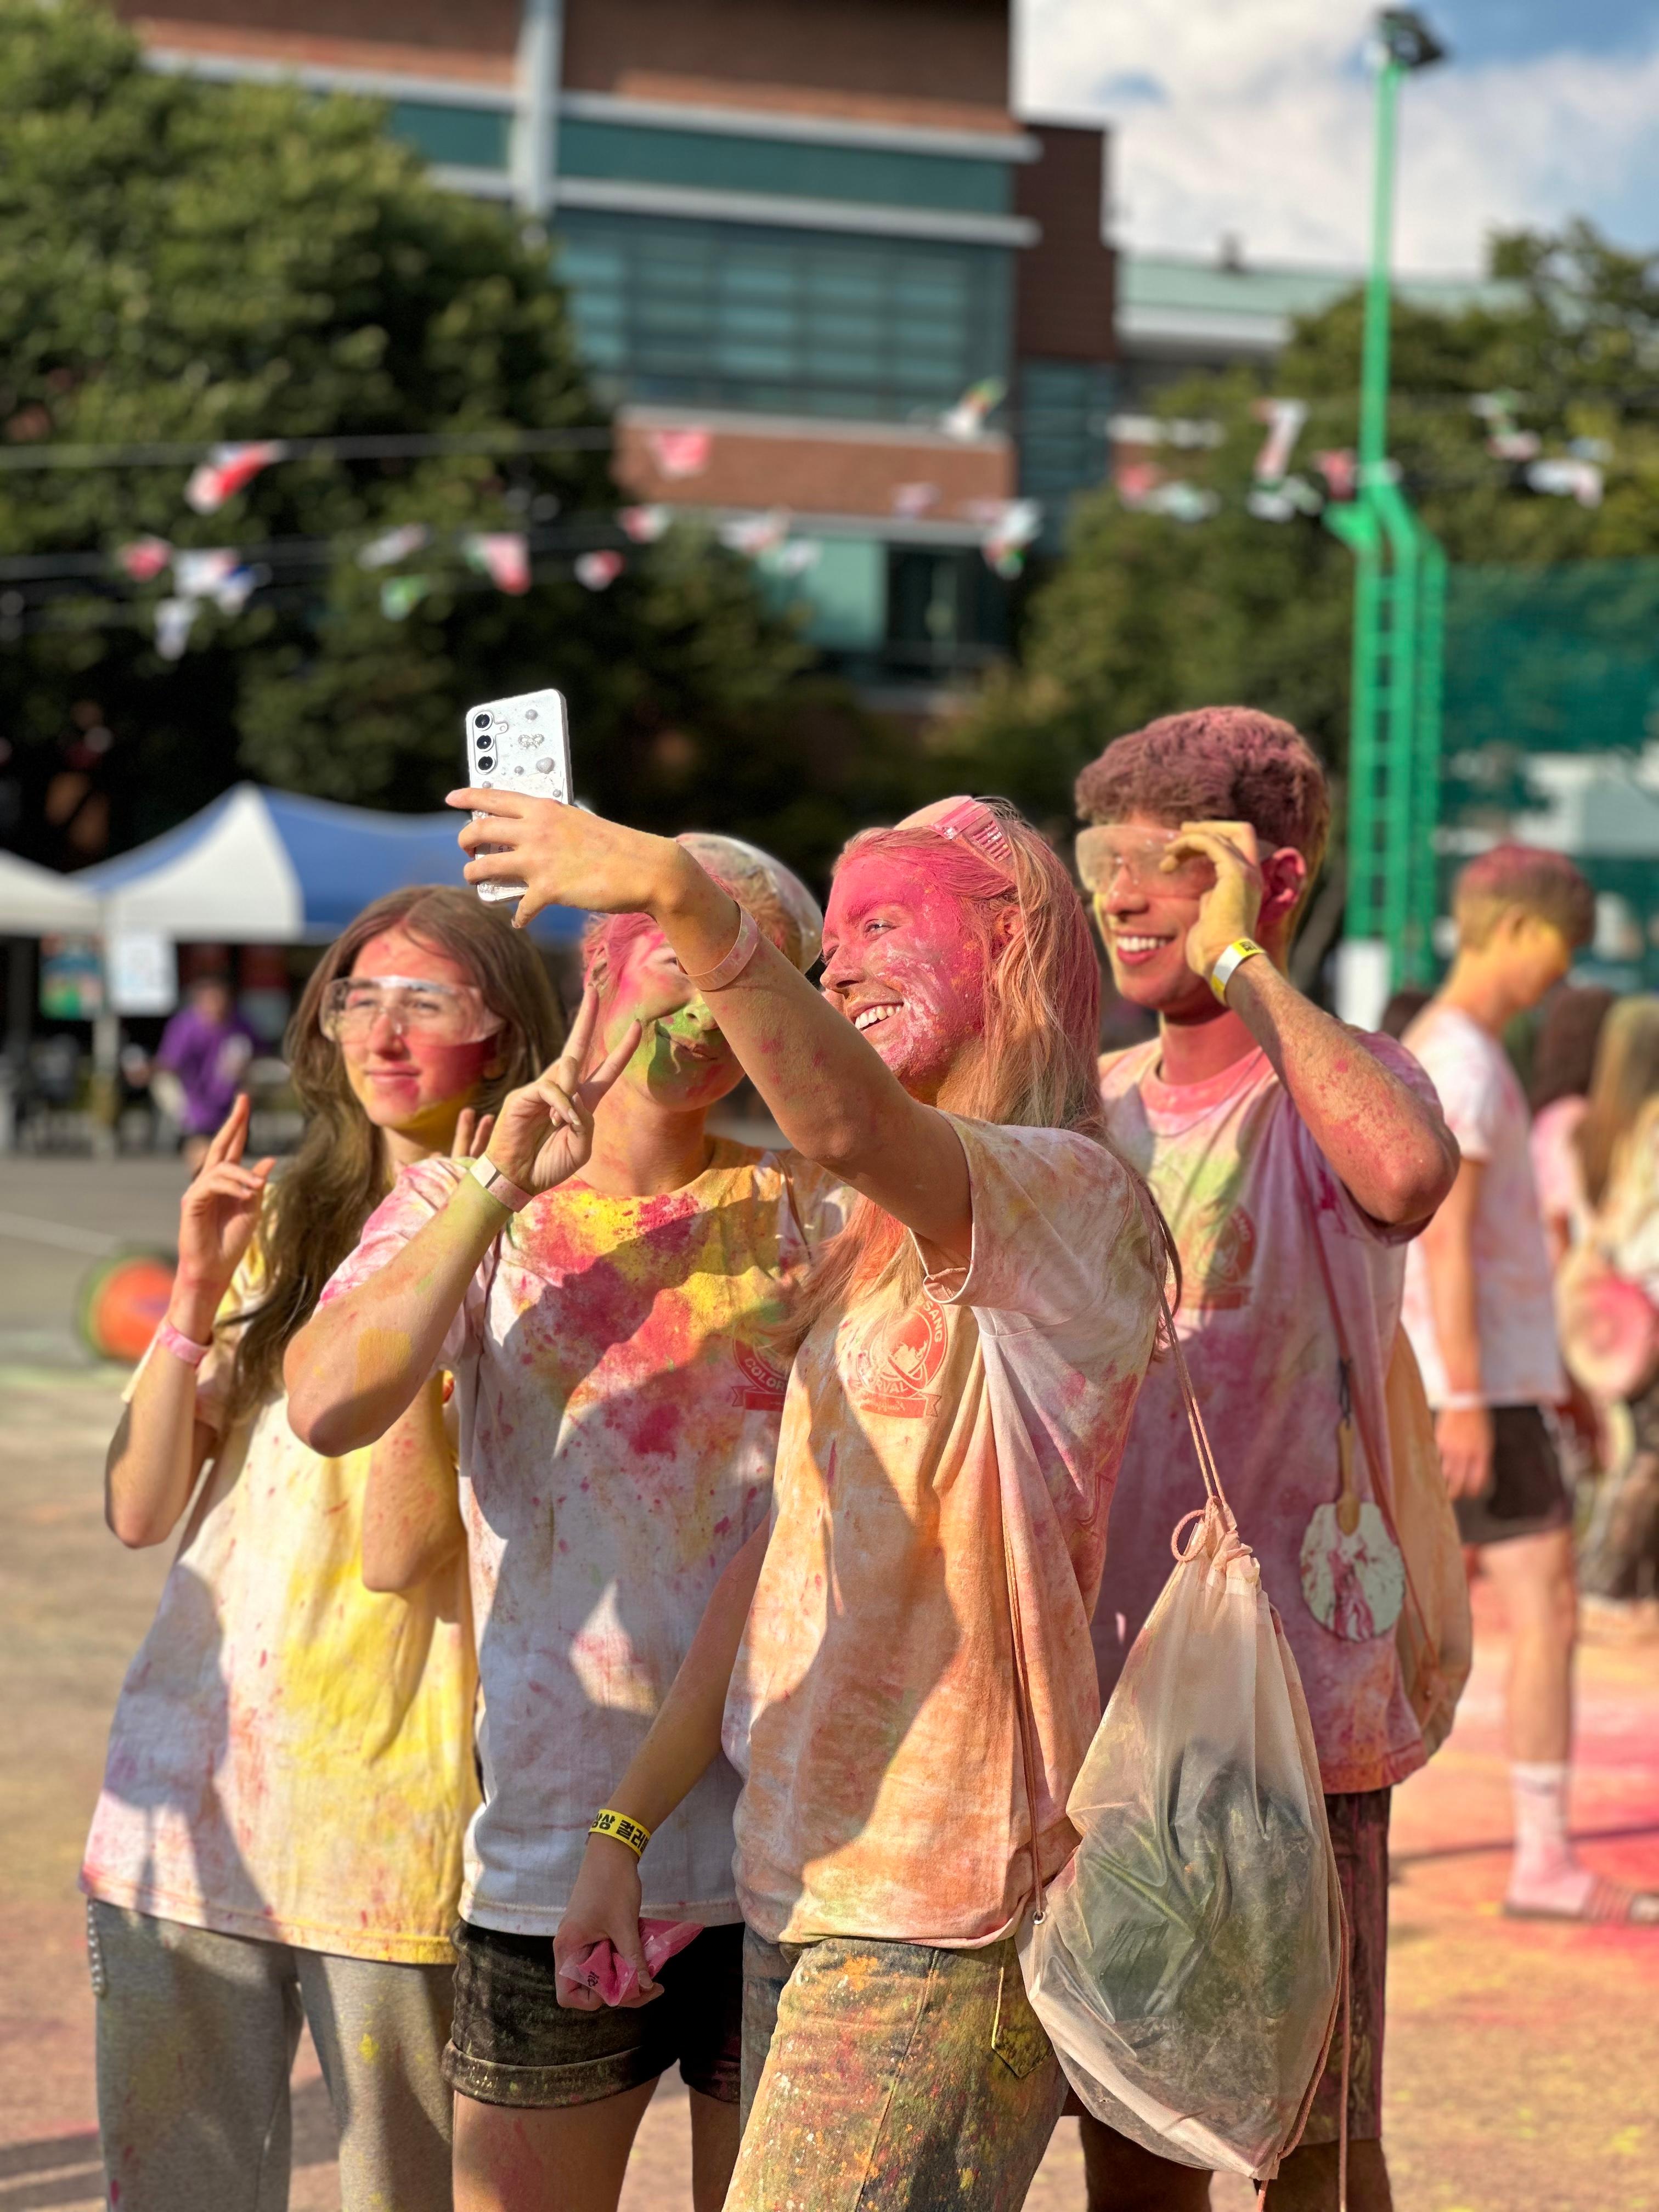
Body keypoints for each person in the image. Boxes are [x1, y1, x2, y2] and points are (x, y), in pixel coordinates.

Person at [464, 787, 1169, 2212]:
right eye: (829, 940)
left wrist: (678, 891)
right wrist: (624, 1830)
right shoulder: (872, 1242)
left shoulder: (1068, 1196)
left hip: (946, 1898)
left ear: (1015, 948)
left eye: (884, 926)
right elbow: (779, 1559)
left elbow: (847, 1128)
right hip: (814, 1883)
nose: (841, 965)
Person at [285, 837, 839, 2212]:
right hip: (549, 1845)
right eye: (684, 949)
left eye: (750, 969)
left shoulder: (810, 1207)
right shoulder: (469, 1201)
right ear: (604, 958)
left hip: (792, 1847)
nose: (714, 1005)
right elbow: (329, 1404)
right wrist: (490, 1192)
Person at [82, 887, 562, 2212]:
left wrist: (432, 1253)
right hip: (185, 1790)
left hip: (389, 1821)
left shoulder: (530, 1244)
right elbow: (138, 1509)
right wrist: (192, 1291)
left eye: (428, 1001)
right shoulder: (286, 1219)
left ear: (504, 1036)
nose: (383, 1032)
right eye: (360, 996)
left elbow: (407, 1556)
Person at [1072, 708, 1460, 2212]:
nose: (1123, 898)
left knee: (1317, 2148)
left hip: (1306, 1708)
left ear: (1268, 878)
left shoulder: (1338, 1083)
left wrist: (1243, 965)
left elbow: (1409, 1174)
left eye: (1168, 866)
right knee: (1141, 2137)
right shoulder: (1090, 1106)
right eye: (1105, 861)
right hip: (1119, 1697)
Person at [1402, 848, 1657, 1924]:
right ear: (1512, 930)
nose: (1565, 975)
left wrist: (1536, 1381)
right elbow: (1446, 1239)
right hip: (1468, 1388)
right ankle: (1543, 1860)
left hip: (1486, 1381)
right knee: (1536, 1608)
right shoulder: (1460, 1062)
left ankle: (1538, 1855)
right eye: (1560, 946)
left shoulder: (1461, 1054)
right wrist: (1467, 1393)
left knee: (1429, 1613)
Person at [1571, 996, 1659, 1613]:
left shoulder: (1595, 1127)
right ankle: (1607, 1577)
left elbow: (1609, 1228)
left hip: (1622, 1318)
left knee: (1640, 1451)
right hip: (1651, 1309)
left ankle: (1614, 1578)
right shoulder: (1654, 1122)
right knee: (1648, 1458)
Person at [154, 969, 259, 1167]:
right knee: (202, 1151)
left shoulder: (240, 1025)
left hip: (230, 1099)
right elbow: (170, 1063)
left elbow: (257, 1055)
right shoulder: (185, 1026)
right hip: (194, 1098)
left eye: (220, 998)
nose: (216, 1005)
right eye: (210, 999)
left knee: (229, 1156)